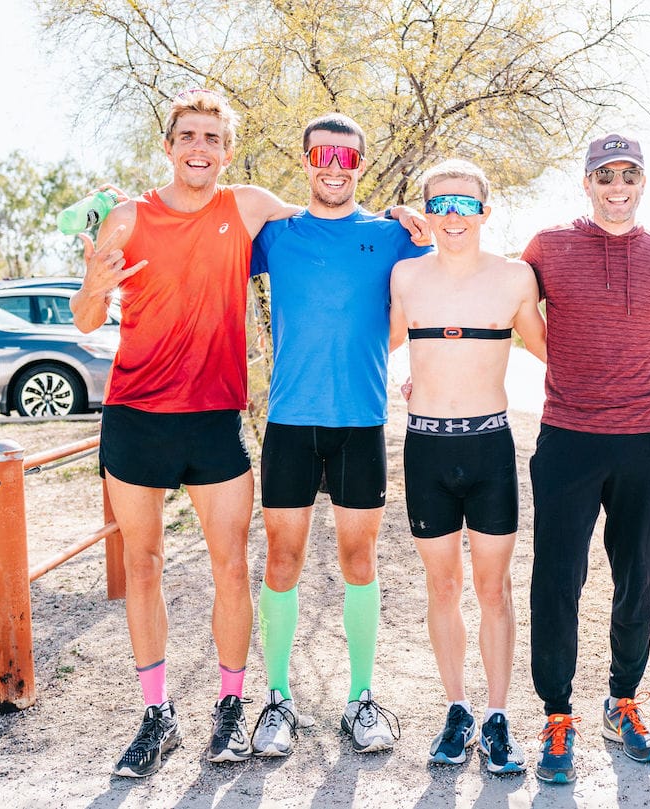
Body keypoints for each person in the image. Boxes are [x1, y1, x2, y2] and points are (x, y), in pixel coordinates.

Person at [70, 89, 301, 777]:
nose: (199, 148)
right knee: (142, 565)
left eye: (212, 138)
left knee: (231, 565)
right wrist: (92, 280)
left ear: (226, 151)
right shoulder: (127, 217)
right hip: (135, 417)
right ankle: (156, 714)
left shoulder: (249, 205)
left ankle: (230, 706)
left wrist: (405, 220)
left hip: (214, 419)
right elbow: (86, 320)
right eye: (188, 136)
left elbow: (331, 224)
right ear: (169, 146)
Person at [247, 112, 430, 758]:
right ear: (305, 161)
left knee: (359, 561)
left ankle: (359, 698)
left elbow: (445, 279)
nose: (334, 167)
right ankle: (276, 699)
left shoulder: (391, 236)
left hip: (360, 423)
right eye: (323, 155)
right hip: (291, 423)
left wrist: (424, 223)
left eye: (347, 158)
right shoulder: (276, 236)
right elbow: (207, 254)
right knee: (282, 560)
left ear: (360, 165)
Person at [522, 134, 650, 784]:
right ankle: (557, 712)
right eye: (605, 177)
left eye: (628, 176)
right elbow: (506, 306)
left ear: (642, 182)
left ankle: (623, 701)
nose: (617, 188)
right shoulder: (548, 245)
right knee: (558, 581)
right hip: (567, 436)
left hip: (644, 440)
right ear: (586, 183)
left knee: (639, 580)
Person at [389, 158, 546, 774]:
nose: (453, 217)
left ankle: (499, 714)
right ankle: (457, 710)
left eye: (465, 205)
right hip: (426, 447)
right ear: (426, 213)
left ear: (485, 210)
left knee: (492, 588)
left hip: (490, 447)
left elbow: (553, 349)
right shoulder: (405, 276)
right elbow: (373, 340)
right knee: (443, 586)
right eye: (440, 205)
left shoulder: (514, 278)